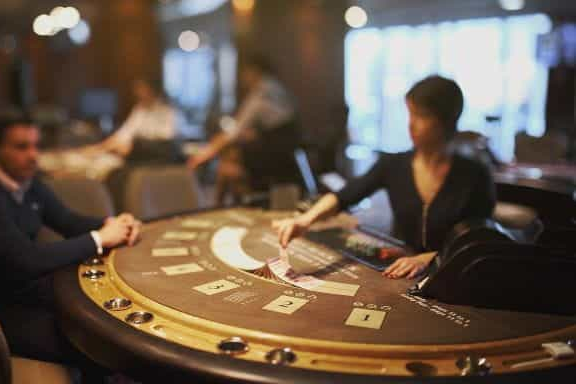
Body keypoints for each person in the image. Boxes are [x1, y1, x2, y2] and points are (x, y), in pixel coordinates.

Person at [0, 110, 142, 383]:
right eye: (21, 147)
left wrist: (113, 223)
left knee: (112, 329)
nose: (33, 155)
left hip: (25, 292)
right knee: (103, 345)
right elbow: (28, 259)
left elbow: (68, 221)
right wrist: (101, 238)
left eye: (36, 145)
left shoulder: (26, 183)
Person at [272, 76, 496, 279]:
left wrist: (428, 257)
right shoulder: (394, 164)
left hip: (453, 277)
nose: (411, 123)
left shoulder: (474, 174)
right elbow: (346, 196)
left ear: (446, 120)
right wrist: (304, 220)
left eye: (421, 116)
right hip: (404, 272)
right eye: (410, 113)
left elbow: (479, 243)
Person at [187, 55, 301, 201]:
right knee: (231, 159)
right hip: (287, 151)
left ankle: (220, 207)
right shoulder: (274, 87)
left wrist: (203, 155)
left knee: (225, 168)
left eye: (245, 72)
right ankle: (236, 204)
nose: (242, 77)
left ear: (254, 71)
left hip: (279, 156)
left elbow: (233, 133)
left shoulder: (262, 93)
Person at [86, 78, 181, 162]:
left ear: (152, 89)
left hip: (159, 153)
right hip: (137, 151)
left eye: (141, 88)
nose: (137, 92)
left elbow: (165, 136)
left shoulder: (167, 109)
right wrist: (99, 148)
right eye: (136, 89)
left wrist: (133, 144)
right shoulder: (140, 108)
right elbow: (124, 133)